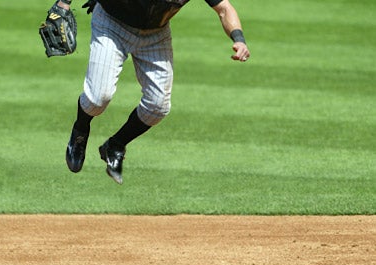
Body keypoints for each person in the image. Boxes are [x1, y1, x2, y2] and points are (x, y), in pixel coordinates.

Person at [60, 0, 250, 184]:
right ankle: (80, 130)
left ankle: (115, 145)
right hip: (112, 23)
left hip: (156, 34)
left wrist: (239, 40)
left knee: (158, 106)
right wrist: (63, 3)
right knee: (98, 98)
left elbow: (224, 8)